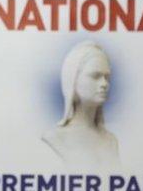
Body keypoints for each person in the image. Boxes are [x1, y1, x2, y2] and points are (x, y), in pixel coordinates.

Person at [42, 40, 120, 172]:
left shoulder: (111, 141)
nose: (104, 84)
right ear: (73, 80)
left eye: (107, 77)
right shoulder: (55, 139)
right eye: (95, 76)